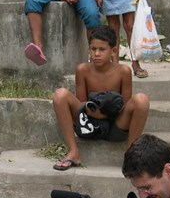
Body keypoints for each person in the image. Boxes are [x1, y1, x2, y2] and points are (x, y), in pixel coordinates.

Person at [51, 25, 150, 171]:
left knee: (142, 100)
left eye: (102, 49)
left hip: (115, 125)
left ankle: (130, 155)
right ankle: (73, 151)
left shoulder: (123, 71)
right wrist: (92, 111)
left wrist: (106, 112)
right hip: (89, 124)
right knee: (60, 95)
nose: (96, 54)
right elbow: (82, 104)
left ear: (113, 51)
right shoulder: (83, 70)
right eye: (93, 49)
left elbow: (125, 105)